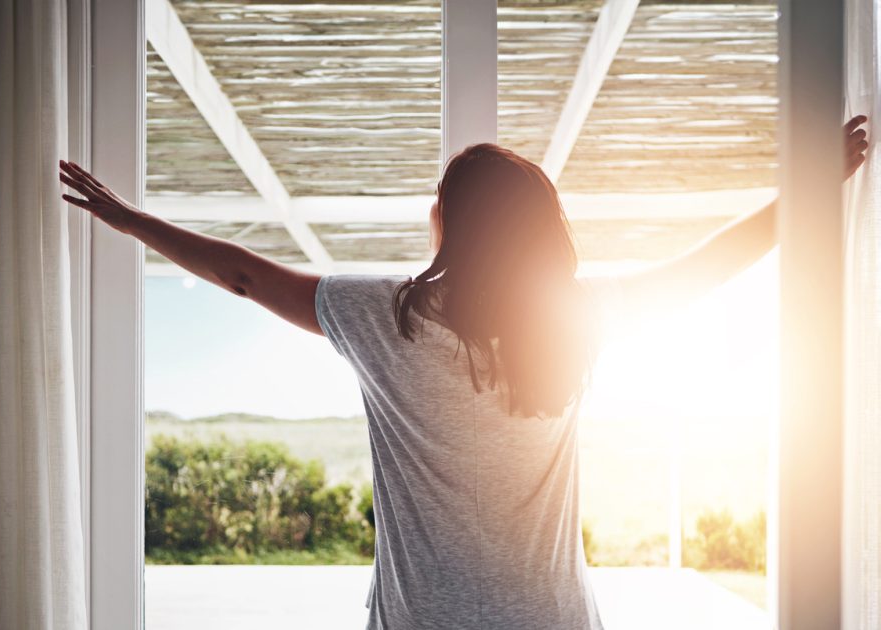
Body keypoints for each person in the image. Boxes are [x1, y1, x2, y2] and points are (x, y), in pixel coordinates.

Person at [58, 115, 867, 630]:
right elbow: (707, 268)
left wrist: (130, 221)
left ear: (450, 220)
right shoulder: (573, 319)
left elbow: (243, 275)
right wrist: (804, 191)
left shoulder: (384, 315)